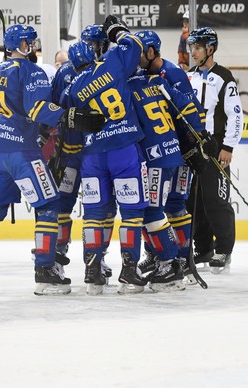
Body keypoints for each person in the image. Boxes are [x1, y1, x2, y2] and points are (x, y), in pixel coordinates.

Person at [0, 24, 104, 296]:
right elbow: (38, 108)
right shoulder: (32, 71)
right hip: (21, 152)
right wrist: (69, 116)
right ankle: (45, 271)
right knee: (48, 205)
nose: (33, 47)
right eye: (31, 42)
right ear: (23, 45)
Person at [59, 16, 151, 295]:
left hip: (92, 157)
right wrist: (117, 31)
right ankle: (129, 270)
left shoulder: (72, 88)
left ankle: (92, 273)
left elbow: (64, 117)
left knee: (94, 215)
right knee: (132, 214)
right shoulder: (111, 63)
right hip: (123, 149)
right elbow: (134, 45)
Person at [134, 29, 211, 285]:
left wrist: (197, 141)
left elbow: (192, 110)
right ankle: (160, 256)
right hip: (164, 151)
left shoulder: (172, 73)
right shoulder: (142, 75)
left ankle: (179, 257)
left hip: (179, 152)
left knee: (174, 206)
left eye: (139, 52)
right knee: (162, 207)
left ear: (152, 52)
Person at [186, 27, 244, 274]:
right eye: (191, 47)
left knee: (216, 200)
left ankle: (224, 250)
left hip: (215, 150)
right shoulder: (189, 76)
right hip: (191, 151)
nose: (193, 52)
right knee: (192, 202)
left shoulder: (224, 77)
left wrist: (228, 146)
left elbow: (236, 115)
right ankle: (204, 247)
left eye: (197, 47)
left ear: (210, 49)